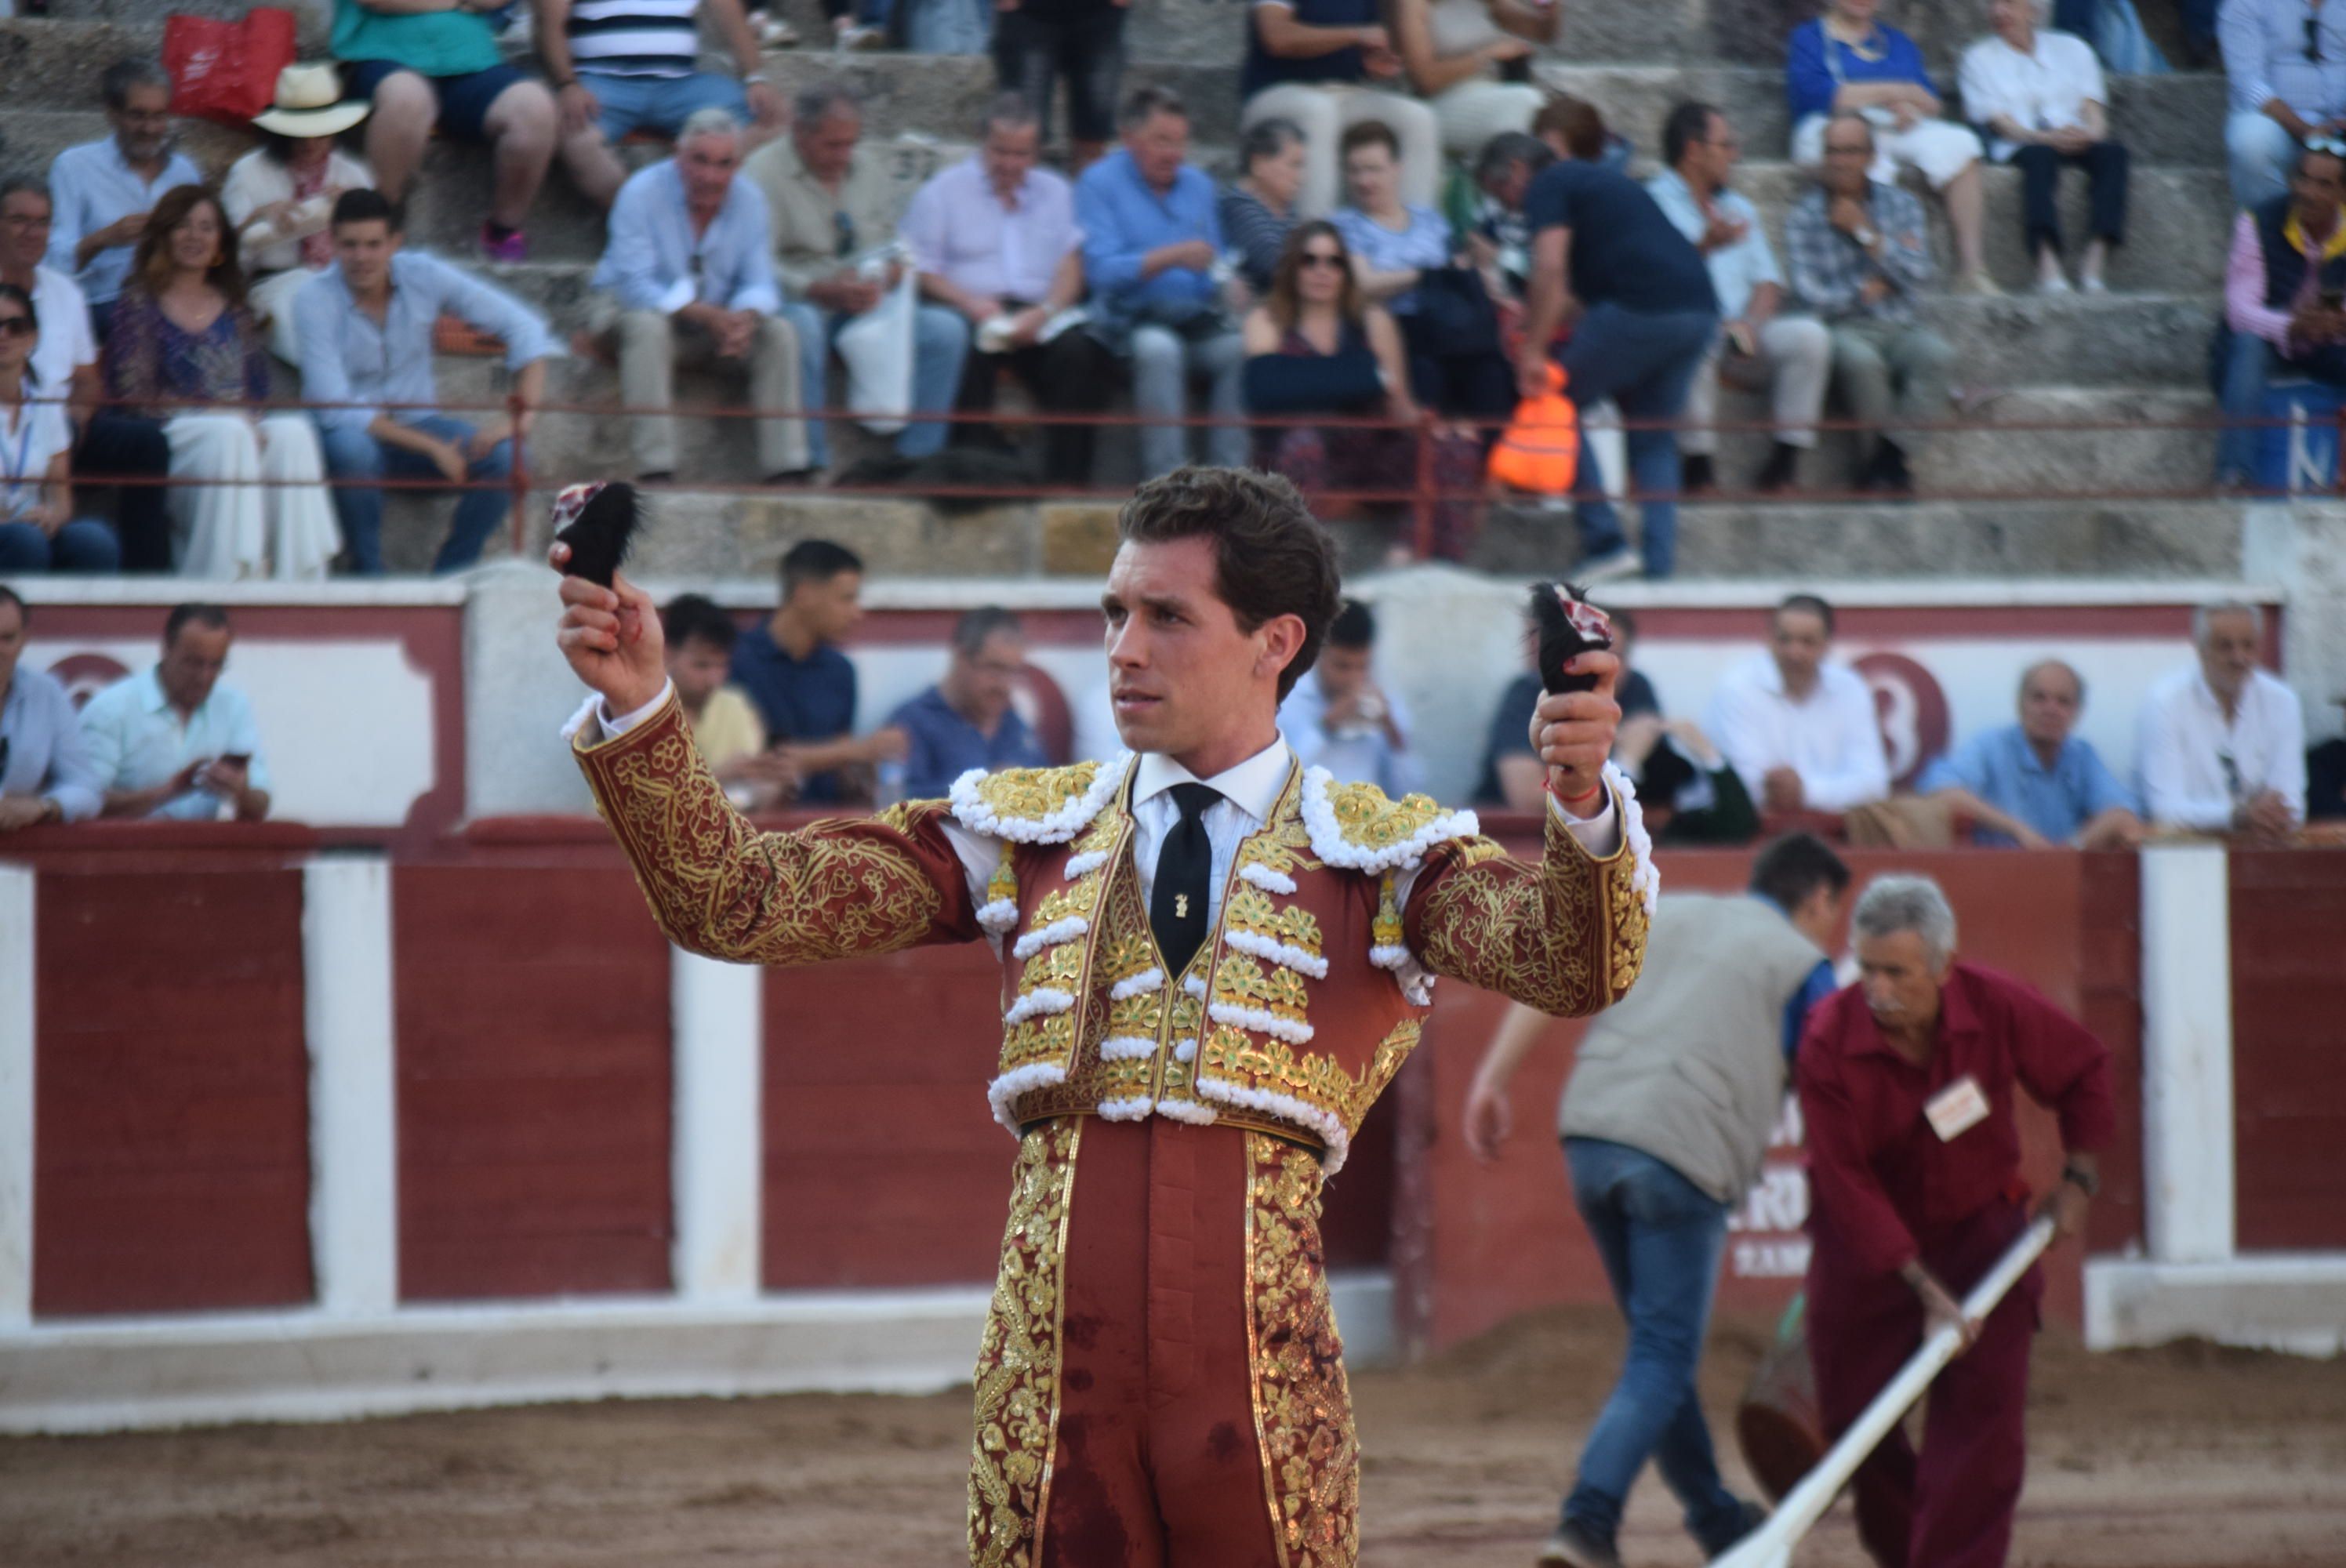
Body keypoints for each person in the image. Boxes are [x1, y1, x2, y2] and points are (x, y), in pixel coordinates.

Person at [551, 463, 1651, 1568]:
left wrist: (1582, 802)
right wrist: (642, 704)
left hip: (1261, 1390)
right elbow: (737, 902)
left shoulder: (1377, 855)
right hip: (1052, 1385)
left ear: (1275, 642)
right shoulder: (1027, 833)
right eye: (1115, 612)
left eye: (1167, 616)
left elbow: (1571, 964)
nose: (1122, 647)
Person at [1464, 832, 1850, 1568]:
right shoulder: (1804, 965)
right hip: (1683, 1155)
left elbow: (1558, 965)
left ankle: (1714, 1519)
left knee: (1656, 1351)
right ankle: (1587, 1520)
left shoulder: (1664, 911)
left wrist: (1492, 1080)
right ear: (1820, 900)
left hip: (1593, 1132)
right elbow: (1832, 1088)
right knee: (1664, 1353)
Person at [1800, 874, 2112, 1568]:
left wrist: (2080, 1179)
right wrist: (1922, 1287)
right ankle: (1917, 1550)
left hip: (1981, 1236)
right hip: (1868, 1252)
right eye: (1867, 968)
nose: (1877, 990)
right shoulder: (1827, 1039)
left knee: (1980, 1435)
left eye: (1897, 973)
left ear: (1944, 966)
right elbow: (1844, 1183)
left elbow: (2085, 1069)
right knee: (1854, 1421)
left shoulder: (1997, 1006)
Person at [296, 191, 553, 575]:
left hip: (418, 422)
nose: (362, 257)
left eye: (373, 244)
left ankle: (454, 574)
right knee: (352, 450)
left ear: (394, 243)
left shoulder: (423, 273)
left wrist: (521, 421)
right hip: (354, 433)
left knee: (512, 457)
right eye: (350, 245)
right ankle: (366, 574)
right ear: (332, 243)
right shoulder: (312, 299)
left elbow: (526, 328)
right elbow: (335, 406)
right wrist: (432, 447)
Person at [1518, 97, 1720, 581]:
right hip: (1700, 309)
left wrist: (1532, 350)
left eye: (1501, 189)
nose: (1511, 203)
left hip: (1643, 308)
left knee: (1557, 401)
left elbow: (1551, 271)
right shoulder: (1611, 184)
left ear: (1519, 167)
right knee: (1653, 437)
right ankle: (1659, 569)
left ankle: (1606, 541)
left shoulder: (1548, 180)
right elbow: (1574, 295)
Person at [105, 187, 341, 581]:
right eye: (183, 226)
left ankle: (300, 582)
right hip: (178, 438)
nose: (195, 237)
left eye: (207, 228)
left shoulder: (234, 304)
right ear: (163, 235)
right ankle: (227, 577)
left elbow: (257, 390)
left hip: (234, 431)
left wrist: (249, 419)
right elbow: (133, 398)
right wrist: (215, 412)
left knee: (293, 433)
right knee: (229, 433)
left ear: (220, 242)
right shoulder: (139, 302)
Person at [746, 83, 967, 472]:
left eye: (851, 144)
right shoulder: (762, 174)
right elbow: (753, 261)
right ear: (800, 132)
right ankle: (811, 461)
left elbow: (891, 243)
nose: (844, 155)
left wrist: (892, 273)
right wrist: (815, 288)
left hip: (863, 302)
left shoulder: (868, 170)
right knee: (803, 327)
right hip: (799, 300)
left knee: (945, 331)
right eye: (833, 145)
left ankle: (918, 461)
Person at [905, 93, 1116, 486]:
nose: (1010, 164)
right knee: (968, 347)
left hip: (1037, 313)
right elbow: (920, 270)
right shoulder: (942, 193)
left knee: (1081, 354)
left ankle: (1068, 483)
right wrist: (969, 302)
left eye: (1021, 154)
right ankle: (975, 475)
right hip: (971, 309)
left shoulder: (1055, 190)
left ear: (1036, 152)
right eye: (1001, 151)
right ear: (982, 142)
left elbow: (1070, 265)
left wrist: (1047, 311)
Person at [589, 109, 808, 485]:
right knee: (646, 326)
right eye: (699, 161)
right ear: (678, 155)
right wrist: (706, 315)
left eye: (724, 164)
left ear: (737, 164)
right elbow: (634, 285)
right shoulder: (642, 192)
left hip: (712, 324)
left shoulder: (750, 200)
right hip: (631, 313)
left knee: (779, 333)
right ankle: (656, 467)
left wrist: (744, 319)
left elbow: (760, 281)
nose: (710, 176)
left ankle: (787, 467)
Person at [1240, 223, 1482, 561]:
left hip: (1365, 452)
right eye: (1309, 260)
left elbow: (1399, 405)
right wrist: (1365, 375)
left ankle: (1410, 559)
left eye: (1334, 261)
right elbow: (1264, 389)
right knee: (1303, 440)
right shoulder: (1268, 320)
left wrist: (1436, 428)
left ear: (1346, 271)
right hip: (1296, 454)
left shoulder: (1373, 321)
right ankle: (1304, 568)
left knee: (1454, 447)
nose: (1322, 271)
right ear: (1293, 267)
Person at [1649, 101, 1831, 495]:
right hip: (1688, 329)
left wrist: (1750, 323)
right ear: (1693, 150)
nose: (1736, 154)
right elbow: (1653, 282)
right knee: (1693, 334)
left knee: (1809, 335)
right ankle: (1698, 467)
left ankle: (1784, 464)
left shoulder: (1738, 206)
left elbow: (1768, 283)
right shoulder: (1652, 203)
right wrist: (1705, 246)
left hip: (1740, 335)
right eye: (1726, 144)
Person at [4, 174, 172, 574]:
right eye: (19, 220)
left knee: (146, 444)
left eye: (43, 222)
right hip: (13, 417)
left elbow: (86, 378)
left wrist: (76, 419)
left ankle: (148, 579)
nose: (33, 232)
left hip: (58, 420)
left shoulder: (65, 291)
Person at [1077, 86, 1249, 476]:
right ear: (1128, 139)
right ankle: (1169, 484)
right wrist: (1169, 258)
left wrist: (1227, 281)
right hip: (1129, 321)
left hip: (1193, 316)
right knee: (1160, 350)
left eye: (1180, 142)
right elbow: (1100, 272)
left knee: (1238, 348)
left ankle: (1232, 480)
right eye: (1162, 141)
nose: (1174, 153)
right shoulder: (1098, 182)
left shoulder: (1199, 185)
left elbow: (1216, 261)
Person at [1785, 112, 1957, 498]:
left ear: (1870, 155)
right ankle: (1889, 470)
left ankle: (1886, 461)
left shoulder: (1902, 205)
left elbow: (1919, 273)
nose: (1840, 161)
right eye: (1832, 151)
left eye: (1850, 151)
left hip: (1899, 324)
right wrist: (1864, 292)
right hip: (1843, 328)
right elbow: (1809, 295)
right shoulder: (1804, 217)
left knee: (1938, 355)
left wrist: (1864, 233)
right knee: (1863, 364)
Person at [1786, 0, 1996, 294]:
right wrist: (1895, 90)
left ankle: (1972, 269)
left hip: (1897, 125)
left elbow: (1930, 100)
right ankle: (1873, 273)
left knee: (1962, 144)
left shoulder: (1897, 41)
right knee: (1864, 154)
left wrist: (1910, 108)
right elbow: (1817, 95)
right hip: (1836, 125)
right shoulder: (1810, 37)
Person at [332, 0, 560, 260]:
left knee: (535, 109)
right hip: (385, 56)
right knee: (407, 101)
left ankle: (503, 231)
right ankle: (380, 224)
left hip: (469, 59)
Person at [1335, 120, 1514, 430]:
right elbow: (1363, 284)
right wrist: (1424, 274)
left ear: (1396, 168)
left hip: (1448, 324)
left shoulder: (1429, 219)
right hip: (1396, 328)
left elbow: (1456, 265)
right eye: (1355, 170)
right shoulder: (1345, 224)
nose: (1364, 180)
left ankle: (1495, 470)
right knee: (1426, 368)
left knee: (1492, 373)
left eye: (1373, 169)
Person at [539, 0, 788, 209]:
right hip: (603, 85)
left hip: (680, 86)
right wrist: (566, 83)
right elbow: (549, 25)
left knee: (772, 118)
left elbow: (732, 17)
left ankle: (685, 195)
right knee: (575, 133)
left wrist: (755, 78)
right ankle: (640, 217)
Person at [1959, 0, 2129, 295]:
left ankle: (2095, 261)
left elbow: (2094, 111)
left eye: (2010, 4)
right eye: (1993, 4)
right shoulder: (1978, 58)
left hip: (2075, 135)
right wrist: (2045, 138)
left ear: (2034, 10)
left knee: (2114, 155)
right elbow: (2001, 123)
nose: (1999, 12)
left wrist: (2091, 135)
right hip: (2020, 142)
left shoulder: (2073, 49)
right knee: (2040, 158)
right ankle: (2046, 263)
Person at [726, 538, 904, 804]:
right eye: (846, 599)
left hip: (828, 832)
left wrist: (866, 769)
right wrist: (860, 750)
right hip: (757, 830)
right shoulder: (737, 661)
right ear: (804, 594)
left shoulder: (841, 671)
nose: (857, 613)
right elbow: (761, 762)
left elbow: (844, 764)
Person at [223, 64, 377, 365]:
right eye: (300, 133)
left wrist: (352, 217)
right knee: (305, 308)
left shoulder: (352, 175)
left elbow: (376, 249)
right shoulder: (248, 173)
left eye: (320, 133)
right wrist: (257, 220)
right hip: (274, 285)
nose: (310, 143)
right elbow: (224, 258)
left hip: (345, 283)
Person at [2216, 142, 2346, 491]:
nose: (2309, 193)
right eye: (2302, 180)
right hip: (2269, 344)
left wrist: (2336, 320)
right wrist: (2292, 325)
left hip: (2327, 345)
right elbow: (2240, 311)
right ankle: (2234, 476)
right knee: (2248, 345)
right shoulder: (2257, 222)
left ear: (2342, 193)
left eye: (2323, 185)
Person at [45, 58, 205, 341]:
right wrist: (103, 238)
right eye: (138, 115)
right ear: (112, 114)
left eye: (159, 116)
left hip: (174, 297)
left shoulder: (184, 172)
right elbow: (53, 261)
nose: (150, 128)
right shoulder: (74, 167)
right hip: (105, 301)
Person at [1238, 0, 1440, 219]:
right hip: (1275, 93)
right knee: (1318, 111)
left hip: (1342, 93)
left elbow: (1366, 48)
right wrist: (1356, 34)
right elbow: (1276, 37)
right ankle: (1313, 238)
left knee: (1417, 118)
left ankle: (1416, 240)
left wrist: (1372, 65)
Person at [1918, 660, 2144, 850]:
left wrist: (2073, 848)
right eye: (2039, 698)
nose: (2050, 709)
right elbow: (1942, 792)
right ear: (2020, 703)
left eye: (2063, 701)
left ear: (2077, 712)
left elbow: (2123, 815)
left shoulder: (2082, 756)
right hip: (1995, 879)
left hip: (2064, 881)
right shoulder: (1992, 745)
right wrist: (2018, 830)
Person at [78, 601, 272, 821]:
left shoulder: (233, 705)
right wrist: (168, 791)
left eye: (216, 665)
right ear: (166, 648)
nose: (204, 677)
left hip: (200, 850)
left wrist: (241, 793)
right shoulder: (111, 709)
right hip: (124, 850)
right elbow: (84, 802)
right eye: (193, 663)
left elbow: (261, 804)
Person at [1705, 592, 1891, 817]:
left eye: (1807, 642)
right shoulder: (1737, 689)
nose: (1795, 652)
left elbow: (1874, 785)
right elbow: (1748, 788)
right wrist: (1830, 792)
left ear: (1827, 645)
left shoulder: (1850, 688)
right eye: (1785, 640)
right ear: (1769, 639)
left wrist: (1806, 791)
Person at [2135, 600, 2307, 838]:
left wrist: (2267, 815)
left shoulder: (2282, 701)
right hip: (2185, 852)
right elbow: (2164, 810)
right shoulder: (2165, 702)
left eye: (2249, 646)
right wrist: (2236, 816)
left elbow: (2291, 804)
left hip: (2262, 845)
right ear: (2200, 650)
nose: (2239, 658)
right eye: (2225, 647)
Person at [1478, 604, 1660, 809]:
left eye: (1612, 657)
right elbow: (1526, 798)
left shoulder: (1635, 688)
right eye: (1589, 655)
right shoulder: (1531, 693)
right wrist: (1625, 763)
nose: (1600, 667)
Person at [0, 285, 118, 572]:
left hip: (31, 526)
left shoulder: (46, 402)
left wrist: (51, 516)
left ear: (32, 338)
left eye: (15, 326)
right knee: (26, 541)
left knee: (95, 540)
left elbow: (60, 494)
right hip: (13, 531)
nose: (3, 335)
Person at [886, 606, 1051, 798]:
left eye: (1013, 672)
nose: (1004, 686)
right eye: (994, 669)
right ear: (962, 658)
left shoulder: (1014, 724)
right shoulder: (914, 724)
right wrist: (984, 789)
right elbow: (898, 807)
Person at [1276, 597, 1422, 797]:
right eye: (1342, 666)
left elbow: (1411, 791)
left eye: (1363, 666)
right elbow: (1277, 784)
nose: (1354, 678)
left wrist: (1393, 734)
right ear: (1318, 654)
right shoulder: (1287, 699)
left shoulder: (1384, 700)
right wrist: (1325, 727)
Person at [2219, 0, 2346, 211]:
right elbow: (2249, 82)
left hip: (2340, 119)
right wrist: (2308, 132)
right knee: (2252, 144)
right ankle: (2271, 232)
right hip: (2274, 119)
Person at [1391, 0, 1557, 160]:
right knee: (1525, 101)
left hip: (1491, 94)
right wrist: (1488, 54)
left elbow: (1542, 32)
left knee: (1545, 115)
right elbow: (1425, 79)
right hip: (1441, 104)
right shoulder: (1413, 4)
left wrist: (1551, 7)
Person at [0, 585, 104, 827]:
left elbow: (87, 787)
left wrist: (44, 806)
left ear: (25, 639)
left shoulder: (46, 693)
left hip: (19, 855)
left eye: (7, 638)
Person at [991, 0, 1128, 173]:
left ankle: (1089, 197)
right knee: (1021, 132)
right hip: (1027, 15)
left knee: (1093, 132)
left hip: (1100, 13)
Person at [1444, 129, 1552, 304]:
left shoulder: (1554, 204)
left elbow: (1548, 271)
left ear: (1518, 170)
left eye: (1498, 192)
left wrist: (1498, 256)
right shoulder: (1501, 213)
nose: (1500, 204)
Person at [1222, 118, 1309, 296]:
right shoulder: (1239, 207)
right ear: (1258, 165)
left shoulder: (1287, 208)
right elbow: (1274, 266)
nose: (1301, 178)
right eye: (1294, 165)